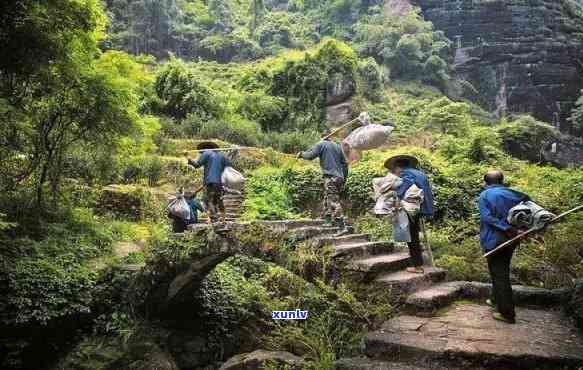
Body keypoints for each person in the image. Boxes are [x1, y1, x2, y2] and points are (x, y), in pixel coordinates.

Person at [478, 170, 530, 324]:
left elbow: (487, 217)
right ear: (502, 181)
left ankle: (507, 313)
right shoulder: (514, 193)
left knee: (499, 274)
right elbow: (529, 205)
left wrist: (504, 227)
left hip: (494, 239)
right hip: (513, 238)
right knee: (501, 269)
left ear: (485, 182)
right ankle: (495, 299)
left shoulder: (484, 195)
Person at [385, 155, 434, 274]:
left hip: (412, 208)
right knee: (414, 234)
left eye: (394, 169)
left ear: (398, 168)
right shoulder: (419, 173)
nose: (394, 172)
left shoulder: (405, 174)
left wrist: (396, 196)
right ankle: (418, 260)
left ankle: (417, 266)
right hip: (422, 207)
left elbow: (405, 186)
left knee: (411, 236)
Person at [298, 130, 349, 232]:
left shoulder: (321, 144)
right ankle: (328, 221)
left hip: (330, 177)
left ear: (322, 136)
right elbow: (345, 164)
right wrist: (343, 178)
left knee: (333, 201)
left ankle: (342, 227)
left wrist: (301, 154)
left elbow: (310, 156)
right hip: (339, 178)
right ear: (330, 137)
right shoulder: (338, 147)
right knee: (327, 198)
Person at [188, 141, 232, 225]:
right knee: (219, 201)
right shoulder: (222, 156)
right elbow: (229, 165)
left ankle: (212, 219)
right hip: (220, 183)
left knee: (208, 201)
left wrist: (188, 159)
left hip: (209, 182)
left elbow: (197, 165)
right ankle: (223, 219)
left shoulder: (206, 153)